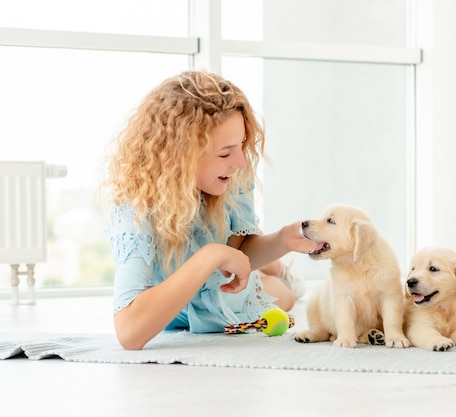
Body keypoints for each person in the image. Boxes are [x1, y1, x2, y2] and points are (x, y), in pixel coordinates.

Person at [102, 70, 314, 350]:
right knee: (276, 292)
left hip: (222, 291)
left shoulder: (233, 177)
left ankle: (278, 269)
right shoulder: (136, 207)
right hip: (174, 305)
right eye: (225, 153)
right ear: (181, 156)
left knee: (286, 295)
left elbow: (236, 257)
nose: (240, 162)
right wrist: (211, 255)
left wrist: (282, 241)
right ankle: (273, 270)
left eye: (240, 146)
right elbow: (129, 332)